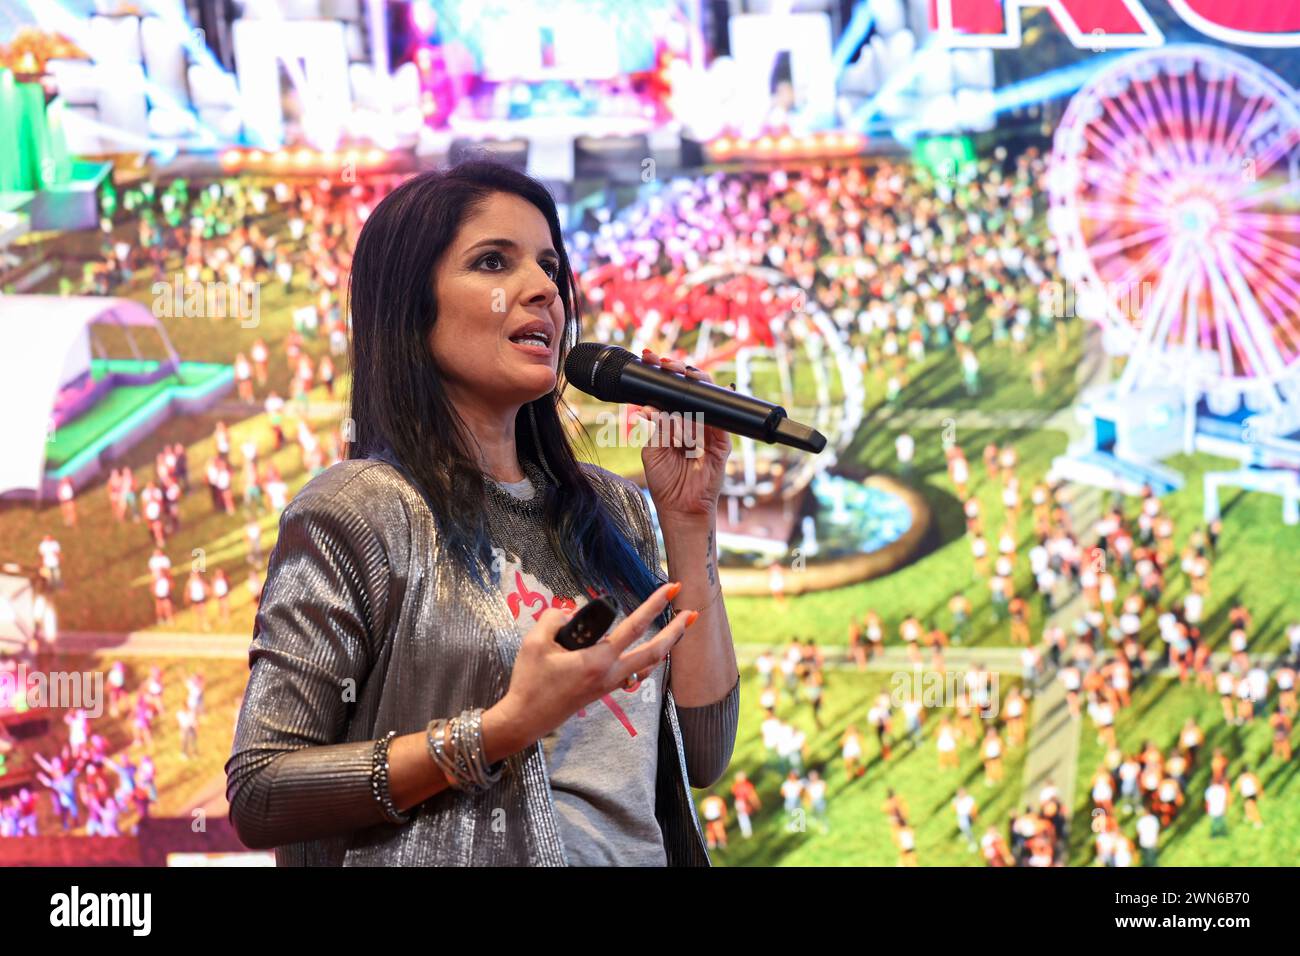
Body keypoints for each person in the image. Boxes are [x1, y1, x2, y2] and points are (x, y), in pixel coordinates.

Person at [226, 161, 741, 867]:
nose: (543, 290)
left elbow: (705, 753)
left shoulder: (615, 509)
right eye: (494, 262)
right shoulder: (360, 513)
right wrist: (499, 731)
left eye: (550, 265)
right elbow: (260, 791)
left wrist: (688, 521)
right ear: (412, 305)